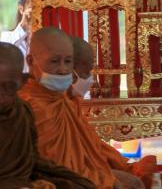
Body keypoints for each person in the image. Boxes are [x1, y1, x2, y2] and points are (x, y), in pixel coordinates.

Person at [19, 27, 156, 189]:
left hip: (82, 174)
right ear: (30, 61)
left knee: (132, 182)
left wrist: (104, 176)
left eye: (68, 61)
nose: (63, 69)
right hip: (56, 180)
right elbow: (46, 164)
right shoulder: (28, 104)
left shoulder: (64, 101)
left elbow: (89, 152)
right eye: (54, 61)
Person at [0, 42, 95, 189]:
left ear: (21, 81)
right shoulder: (32, 102)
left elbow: (32, 160)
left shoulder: (23, 110)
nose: (2, 97)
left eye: (9, 87)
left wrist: (71, 178)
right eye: (55, 61)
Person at [1, 0, 38, 73]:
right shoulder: (7, 37)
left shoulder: (47, 39)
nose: (38, 13)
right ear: (21, 9)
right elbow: (5, 56)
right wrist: (27, 29)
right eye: (34, 8)